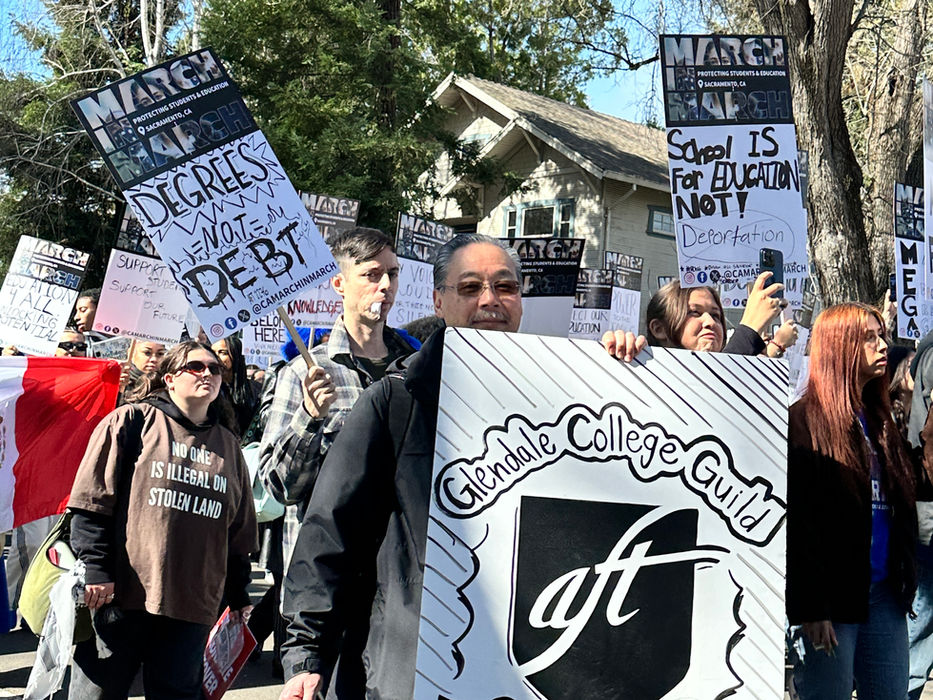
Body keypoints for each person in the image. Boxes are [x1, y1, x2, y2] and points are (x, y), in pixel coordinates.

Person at [279, 233, 645, 699]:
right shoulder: (396, 403)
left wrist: (627, 375)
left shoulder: (564, 402)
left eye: (505, 287)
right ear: (439, 300)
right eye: (470, 288)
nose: (489, 300)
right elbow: (331, 533)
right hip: (417, 666)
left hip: (534, 665)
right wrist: (306, 654)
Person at [260, 227, 419, 694]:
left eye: (393, 274)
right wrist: (309, 418)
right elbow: (278, 486)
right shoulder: (305, 372)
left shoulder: (418, 369)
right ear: (339, 283)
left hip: (401, 585)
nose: (385, 286)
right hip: (330, 591)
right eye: (371, 274)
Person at [67, 340, 258, 699]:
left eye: (215, 369)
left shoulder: (228, 445)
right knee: (99, 692)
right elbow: (91, 502)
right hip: (123, 595)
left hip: (193, 601)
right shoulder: (132, 421)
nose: (207, 374)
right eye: (195, 367)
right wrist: (97, 569)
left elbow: (237, 532)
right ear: (169, 379)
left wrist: (238, 592)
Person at [786, 303, 918, 700]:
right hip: (831, 599)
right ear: (838, 347)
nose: (883, 346)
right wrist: (811, 607)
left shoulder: (880, 420)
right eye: (869, 338)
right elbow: (800, 522)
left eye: (882, 336)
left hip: (884, 593)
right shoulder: (804, 422)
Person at [641, 274, 784, 355]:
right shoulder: (639, 370)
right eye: (695, 312)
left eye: (715, 315)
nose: (710, 322)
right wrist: (750, 328)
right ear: (659, 328)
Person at [212, 334, 258, 436]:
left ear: (235, 355)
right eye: (213, 353)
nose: (216, 357)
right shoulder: (210, 390)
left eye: (222, 352)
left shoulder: (256, 390)